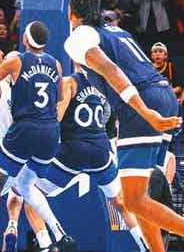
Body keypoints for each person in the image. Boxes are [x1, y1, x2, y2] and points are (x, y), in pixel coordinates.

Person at [63, 0, 184, 252]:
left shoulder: (78, 36)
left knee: (132, 200)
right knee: (140, 197)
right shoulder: (116, 31)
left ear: (71, 13)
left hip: (142, 102)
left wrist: (144, 111)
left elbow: (111, 70)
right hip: (164, 94)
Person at [0, 22, 73, 252]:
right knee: (26, 186)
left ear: (26, 39)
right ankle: (57, 232)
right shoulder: (56, 64)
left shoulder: (16, 61)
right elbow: (59, 97)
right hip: (50, 133)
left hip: (24, 130)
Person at [40, 58, 147, 252]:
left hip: (73, 150)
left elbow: (56, 118)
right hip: (100, 150)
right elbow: (108, 118)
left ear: (75, 61)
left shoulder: (69, 82)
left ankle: (57, 238)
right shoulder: (103, 86)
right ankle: (145, 246)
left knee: (32, 193)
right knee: (120, 203)